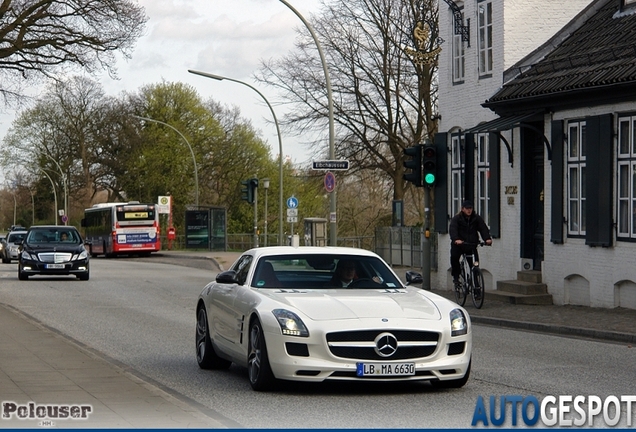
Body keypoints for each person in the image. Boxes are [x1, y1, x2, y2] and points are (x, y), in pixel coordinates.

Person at [449, 200, 492, 289]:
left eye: (470, 208)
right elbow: (453, 229)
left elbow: (483, 228)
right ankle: (456, 277)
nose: (469, 210)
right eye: (467, 208)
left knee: (475, 265)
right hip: (459, 245)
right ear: (462, 209)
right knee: (454, 257)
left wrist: (487, 238)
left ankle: (476, 286)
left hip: (471, 245)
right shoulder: (457, 219)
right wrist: (456, 239)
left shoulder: (476, 218)